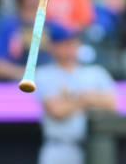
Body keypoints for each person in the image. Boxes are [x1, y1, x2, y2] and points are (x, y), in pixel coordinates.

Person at [35, 22, 116, 164]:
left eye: (73, 42)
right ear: (52, 47)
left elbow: (112, 104)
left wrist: (72, 101)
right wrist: (86, 99)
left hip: (96, 148)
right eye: (65, 43)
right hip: (60, 148)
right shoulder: (44, 74)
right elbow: (57, 111)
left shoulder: (95, 72)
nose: (70, 47)